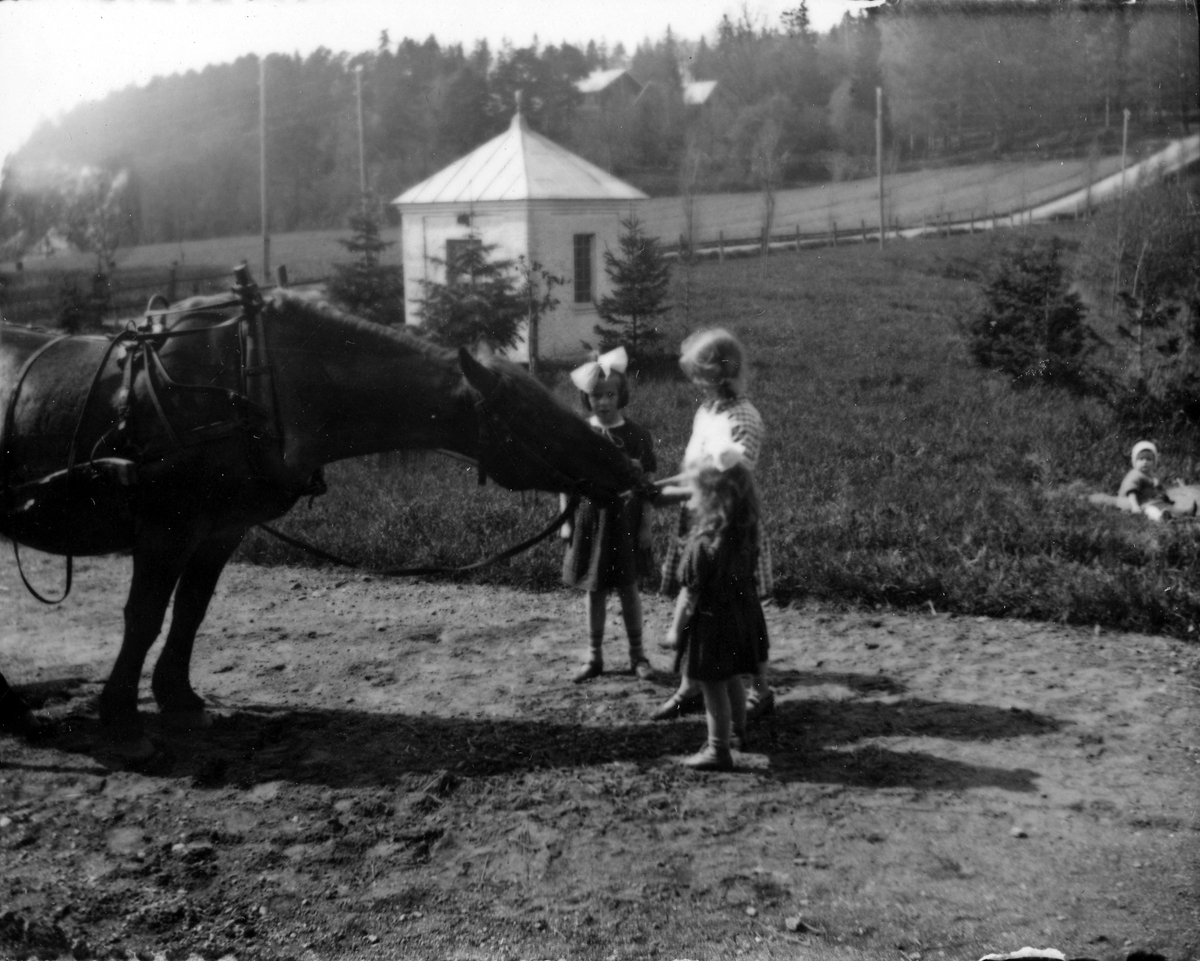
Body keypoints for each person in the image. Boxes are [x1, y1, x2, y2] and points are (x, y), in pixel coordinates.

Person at [652, 328, 774, 723]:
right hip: (698, 513)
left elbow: (729, 486)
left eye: (698, 375)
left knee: (736, 606)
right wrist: (661, 488)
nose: (694, 383)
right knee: (696, 597)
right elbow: (694, 469)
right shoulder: (708, 411)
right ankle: (691, 686)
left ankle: (761, 688)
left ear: (719, 373)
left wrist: (669, 494)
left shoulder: (744, 418)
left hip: (728, 525)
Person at [665, 435, 768, 771]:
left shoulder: (702, 545)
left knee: (712, 689)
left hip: (712, 626)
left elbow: (689, 595)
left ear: (709, 498)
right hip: (742, 618)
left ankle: (717, 749)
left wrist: (674, 631)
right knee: (733, 678)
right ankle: (738, 732)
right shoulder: (746, 531)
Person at [560, 347, 658, 683]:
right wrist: (565, 521)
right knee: (595, 589)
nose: (603, 402)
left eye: (610, 395)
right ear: (586, 398)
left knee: (629, 589)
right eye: (596, 396)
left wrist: (645, 524)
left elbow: (647, 484)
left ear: (621, 395)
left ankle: (638, 655)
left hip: (626, 520)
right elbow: (567, 480)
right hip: (590, 519)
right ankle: (594, 656)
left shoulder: (637, 435)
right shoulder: (579, 433)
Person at [1119, 441, 1175, 521]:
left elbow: (1160, 490)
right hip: (1137, 504)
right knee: (1150, 510)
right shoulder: (1134, 475)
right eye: (1141, 459)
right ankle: (1160, 518)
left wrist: (1164, 496)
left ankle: (1183, 512)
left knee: (1166, 507)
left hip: (1149, 501)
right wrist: (1135, 506)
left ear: (1154, 462)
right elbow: (1131, 492)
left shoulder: (1151, 475)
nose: (1145, 462)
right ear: (1135, 461)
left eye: (1149, 459)